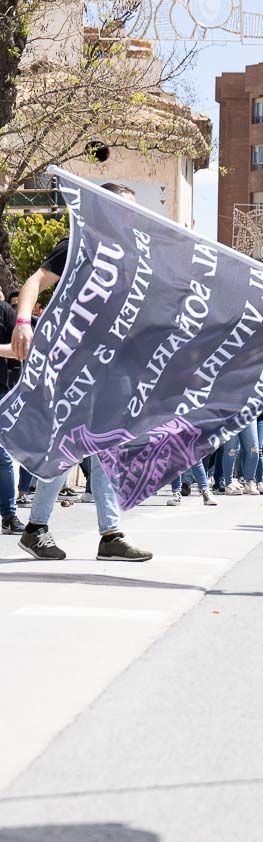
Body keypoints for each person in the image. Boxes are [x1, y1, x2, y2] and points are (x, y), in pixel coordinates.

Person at [10, 182, 152, 563]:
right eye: (124, 208)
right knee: (72, 444)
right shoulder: (81, 244)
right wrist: (23, 321)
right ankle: (41, 527)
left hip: (113, 366)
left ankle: (107, 533)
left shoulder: (134, 256)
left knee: (104, 444)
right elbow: (35, 281)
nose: (131, 216)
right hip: (75, 363)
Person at [0, 295, 24, 535]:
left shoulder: (5, 312)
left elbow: (20, 350)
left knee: (3, 458)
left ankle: (8, 515)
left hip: (1, 392)